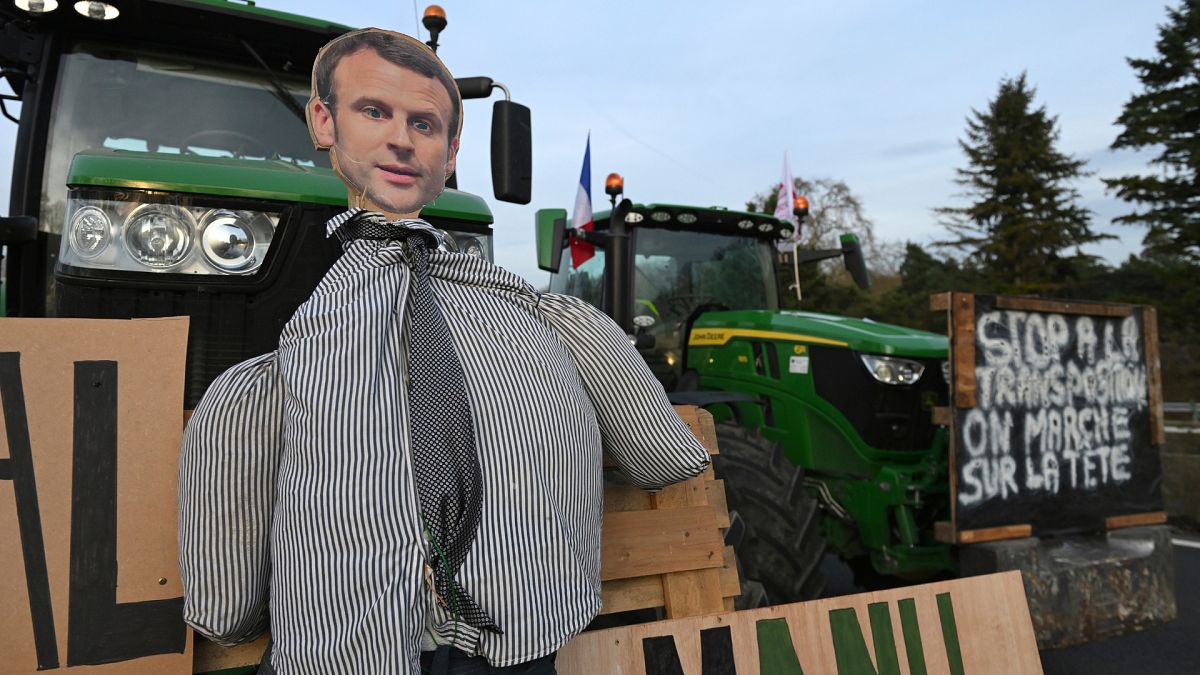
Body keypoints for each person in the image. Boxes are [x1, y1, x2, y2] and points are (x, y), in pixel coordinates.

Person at [178, 29, 710, 675]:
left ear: (451, 153)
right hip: (347, 653)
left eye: (424, 124)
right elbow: (225, 597)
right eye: (374, 111)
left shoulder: (546, 321)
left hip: (517, 641)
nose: (401, 140)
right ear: (324, 120)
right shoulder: (290, 365)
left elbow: (661, 454)